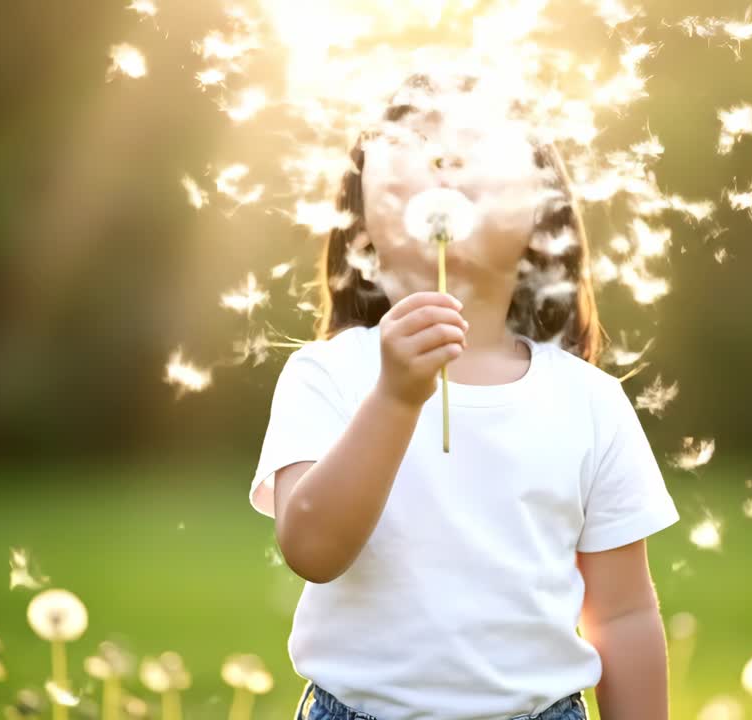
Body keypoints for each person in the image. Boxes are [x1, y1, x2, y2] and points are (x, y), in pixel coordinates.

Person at [249, 69, 681, 720]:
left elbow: (621, 613)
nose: (443, 160)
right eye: (415, 139)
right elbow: (311, 550)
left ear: (543, 221)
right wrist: (395, 400)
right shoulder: (327, 376)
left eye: (476, 141)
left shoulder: (589, 402)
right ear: (361, 223)